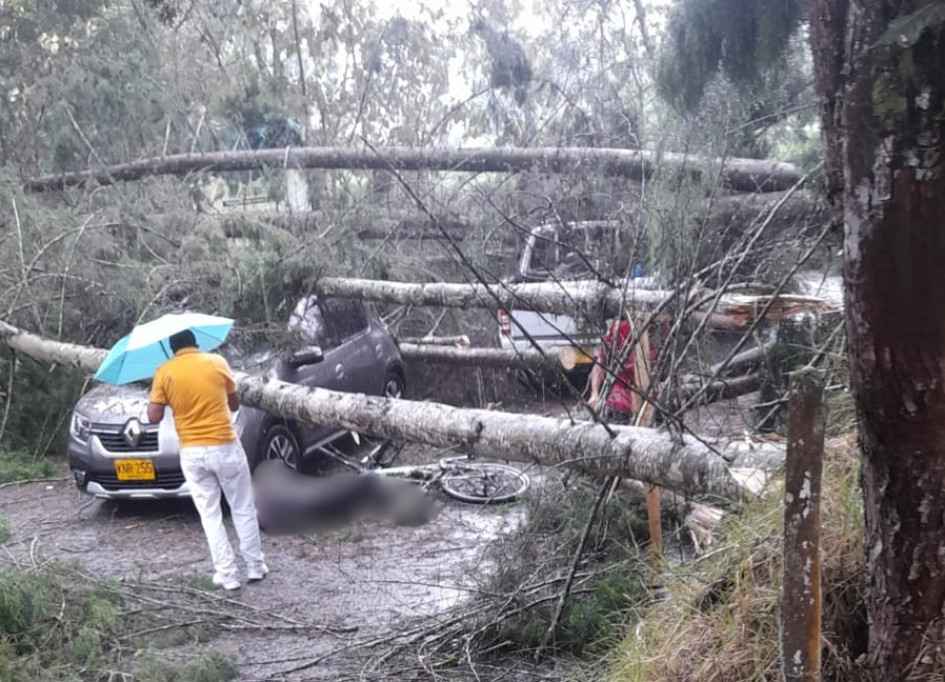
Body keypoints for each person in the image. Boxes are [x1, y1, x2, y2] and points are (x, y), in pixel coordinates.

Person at [147, 329, 267, 591]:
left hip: (192, 451)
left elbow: (153, 416)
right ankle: (255, 567)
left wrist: (167, 396)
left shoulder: (164, 371)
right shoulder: (217, 363)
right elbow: (234, 405)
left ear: (173, 349)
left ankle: (227, 575)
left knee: (210, 514)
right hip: (224, 445)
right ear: (196, 344)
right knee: (242, 506)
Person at [587, 315, 662, 425]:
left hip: (651, 396)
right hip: (622, 396)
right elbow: (601, 362)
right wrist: (594, 393)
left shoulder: (661, 328)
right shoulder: (620, 328)